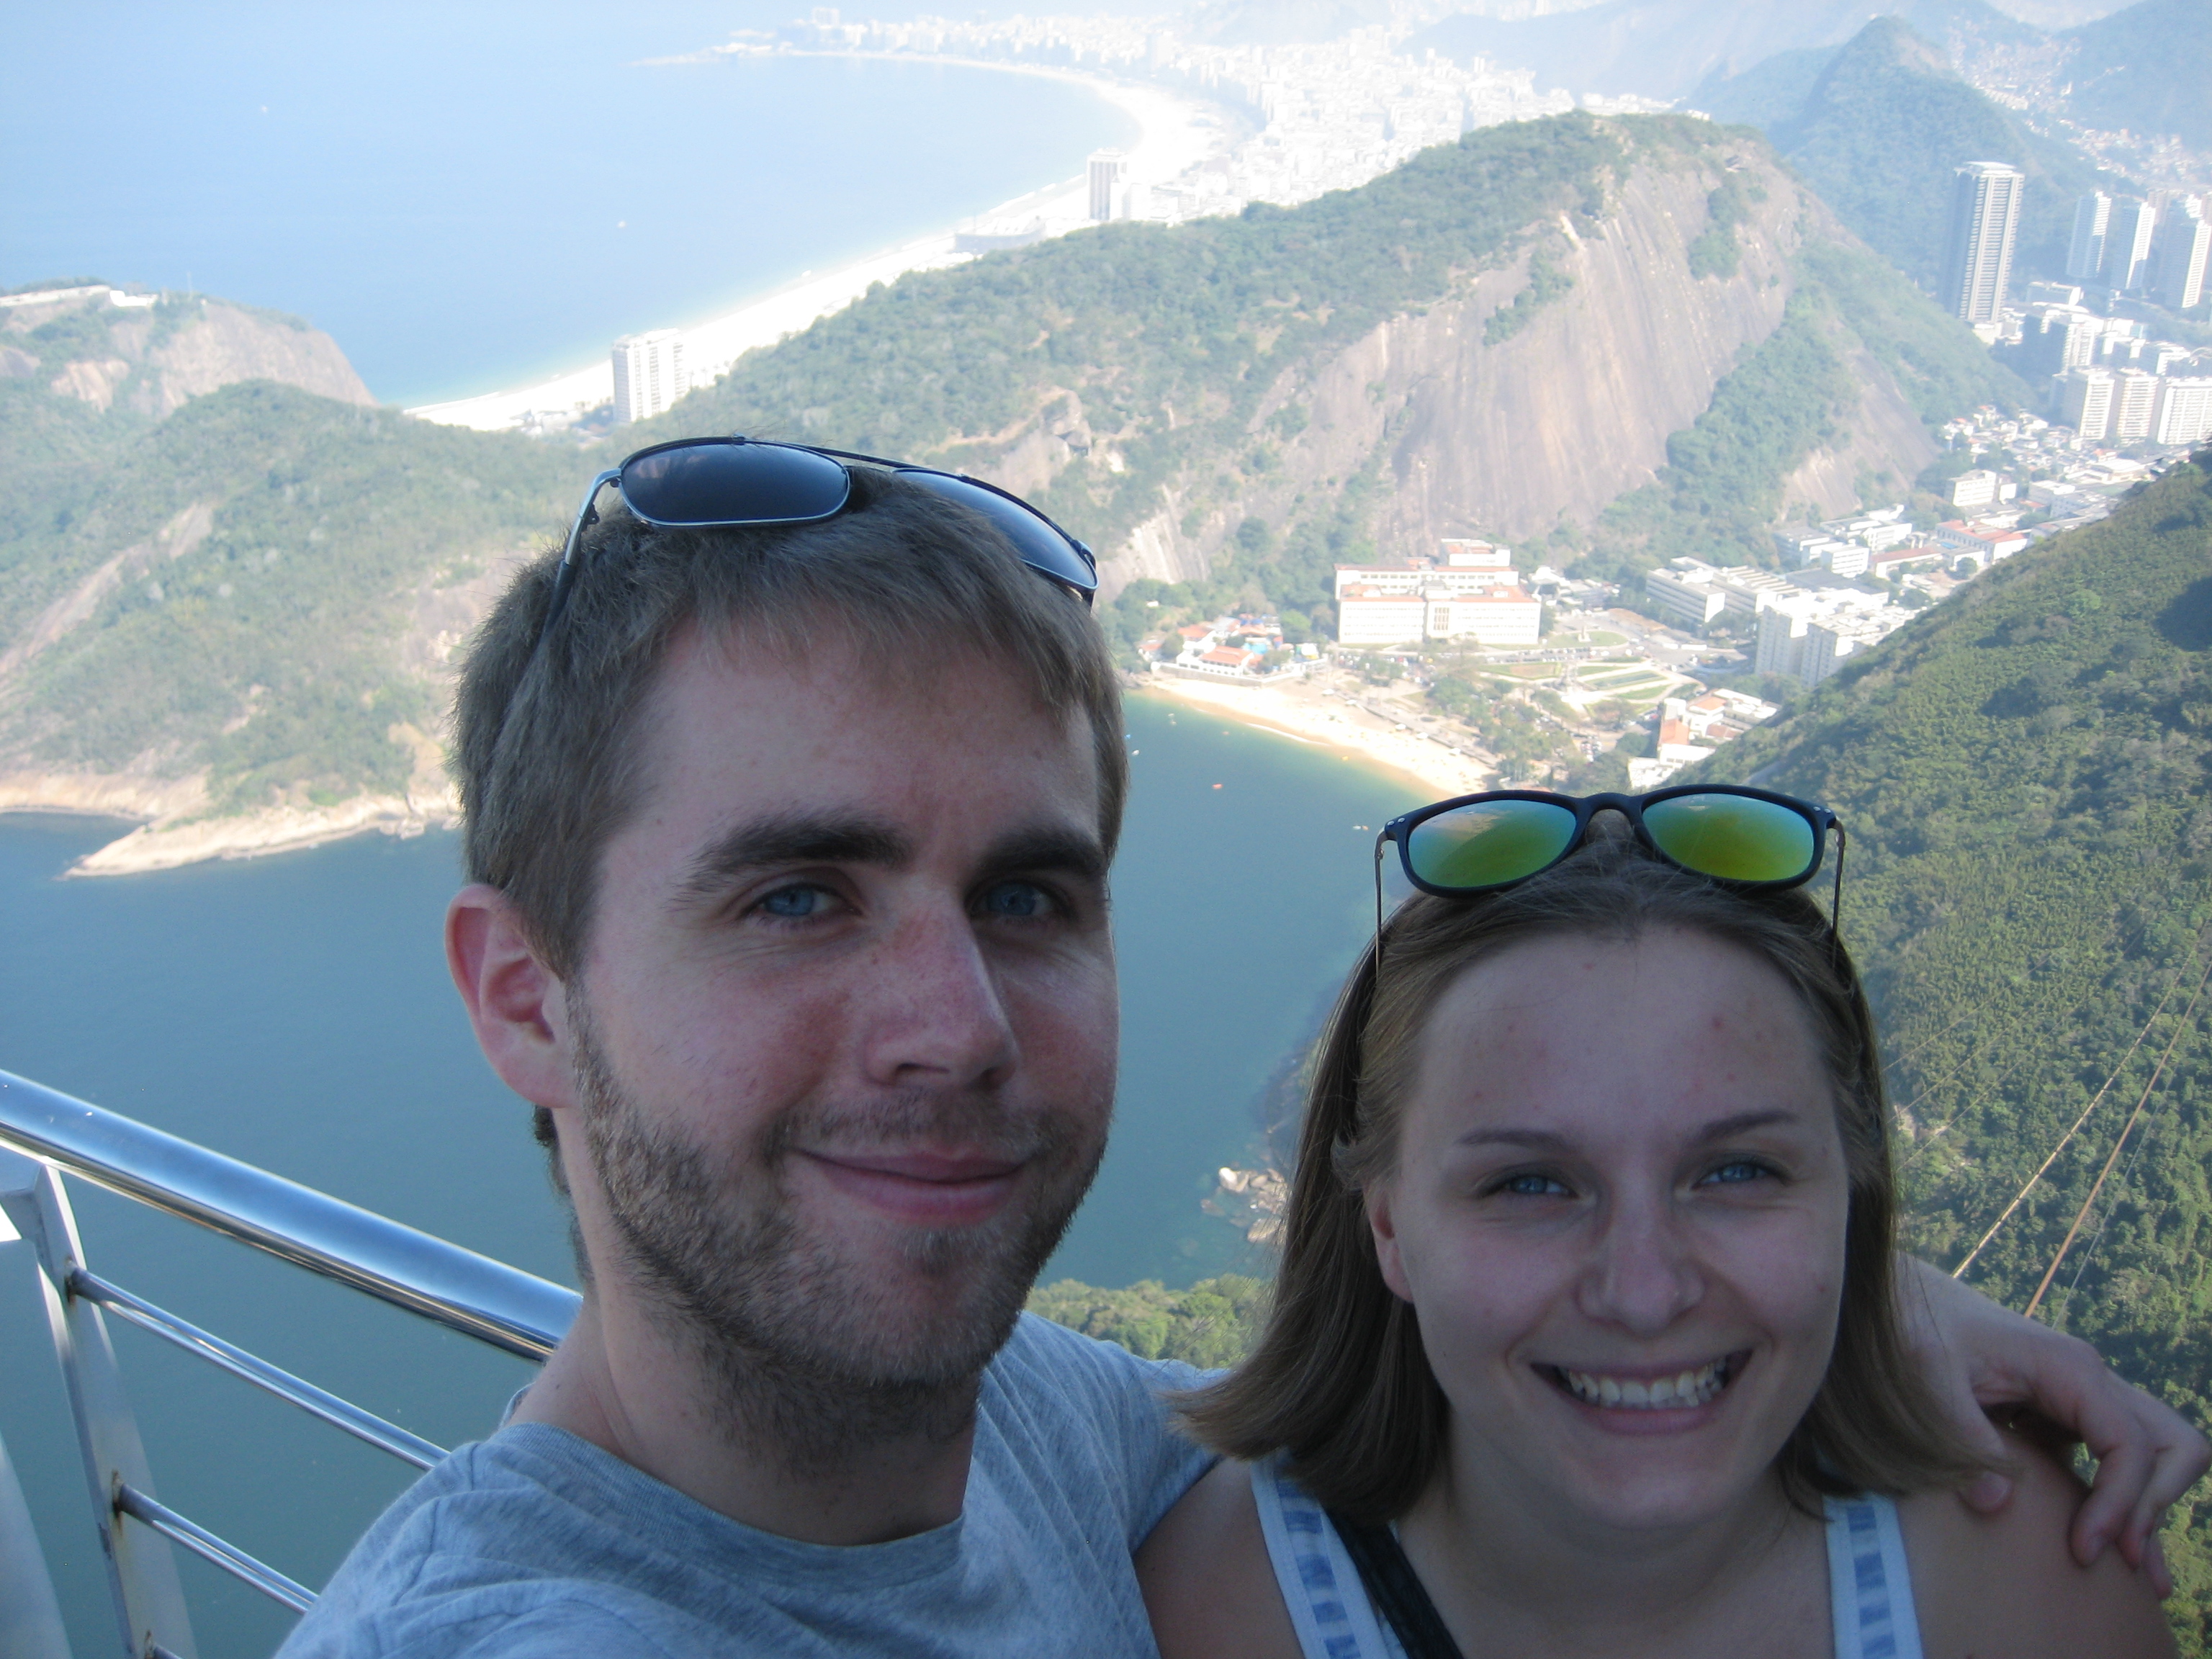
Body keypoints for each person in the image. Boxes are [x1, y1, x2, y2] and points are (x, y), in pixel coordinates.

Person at [280, 439, 2203, 1658]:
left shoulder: (1041, 1432)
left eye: (1030, 899)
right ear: (527, 997)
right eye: (798, 898)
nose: (954, 1029)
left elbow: (1416, 1367)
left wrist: (1817, 1303)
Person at [1138, 796, 2181, 1658]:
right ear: (1389, 1230)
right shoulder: (1205, 1617)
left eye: (1735, 1171)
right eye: (1532, 1186)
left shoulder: (2037, 1597)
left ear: (1850, 1198)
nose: (1643, 1293)